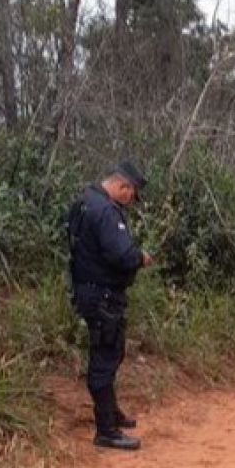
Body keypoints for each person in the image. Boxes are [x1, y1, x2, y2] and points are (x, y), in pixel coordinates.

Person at [66, 161, 153, 450]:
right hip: (102, 295)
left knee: (111, 350)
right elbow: (122, 255)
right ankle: (106, 430)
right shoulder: (105, 211)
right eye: (131, 194)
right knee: (105, 356)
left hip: (89, 290)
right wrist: (139, 257)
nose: (131, 200)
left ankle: (111, 413)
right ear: (121, 185)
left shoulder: (84, 201)